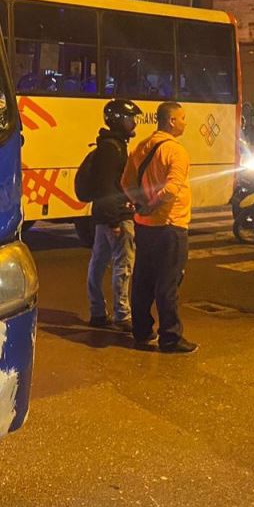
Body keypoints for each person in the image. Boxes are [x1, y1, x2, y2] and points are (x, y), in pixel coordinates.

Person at [122, 101, 197, 354]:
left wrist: (140, 205)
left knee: (143, 280)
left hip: (145, 226)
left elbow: (126, 182)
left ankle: (142, 331)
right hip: (169, 224)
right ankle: (170, 337)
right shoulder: (176, 151)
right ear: (171, 121)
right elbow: (171, 189)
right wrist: (153, 205)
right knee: (168, 283)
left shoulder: (142, 146)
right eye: (183, 118)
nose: (186, 122)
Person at [85, 99, 142, 330]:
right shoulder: (112, 149)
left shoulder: (109, 145)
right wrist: (114, 220)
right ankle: (122, 315)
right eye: (131, 119)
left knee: (98, 264)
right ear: (119, 121)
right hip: (115, 215)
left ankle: (97, 312)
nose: (134, 123)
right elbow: (107, 187)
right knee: (123, 265)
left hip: (103, 215)